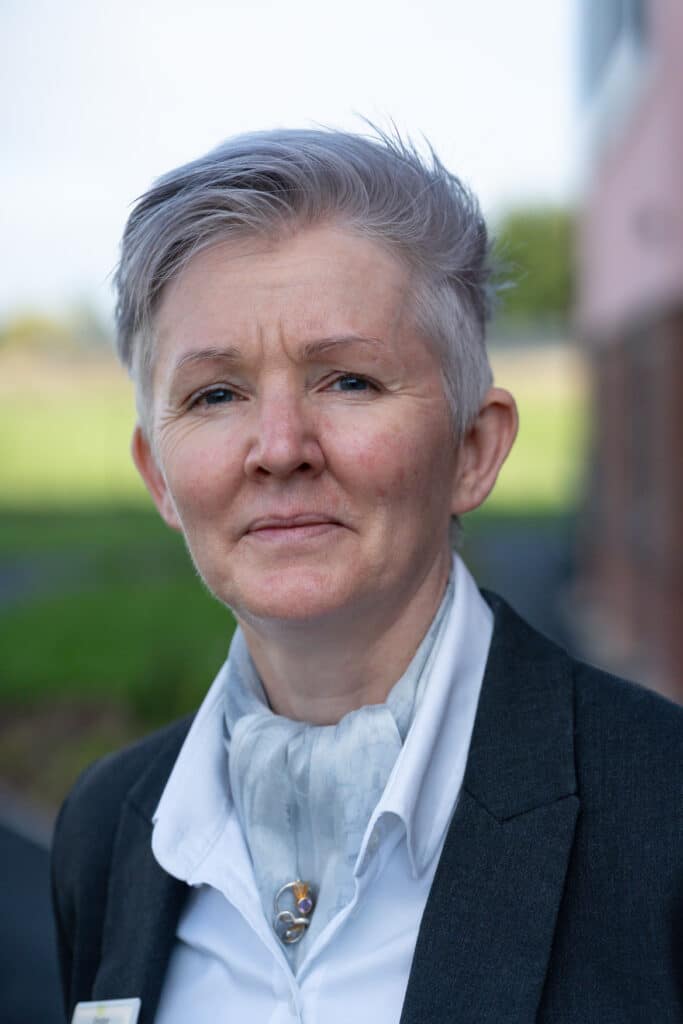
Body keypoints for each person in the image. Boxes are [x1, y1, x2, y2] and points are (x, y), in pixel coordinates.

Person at [51, 128, 683, 1024]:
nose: (279, 449)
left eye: (347, 380)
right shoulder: (106, 830)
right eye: (215, 394)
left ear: (473, 448)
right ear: (159, 476)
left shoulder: (662, 811)